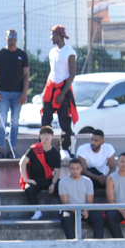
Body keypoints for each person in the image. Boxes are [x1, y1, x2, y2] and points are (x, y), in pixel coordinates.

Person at [0, 29, 30, 158]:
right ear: (5, 38)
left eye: (14, 35)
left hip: (18, 94)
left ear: (17, 38)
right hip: (3, 93)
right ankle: (0, 149)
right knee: (2, 122)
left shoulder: (22, 55)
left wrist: (24, 93)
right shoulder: (0, 54)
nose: (12, 37)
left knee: (15, 122)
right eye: (10, 35)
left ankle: (12, 150)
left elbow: (26, 75)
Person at [42, 25, 77, 155]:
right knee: (45, 118)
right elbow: (53, 72)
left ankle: (66, 148)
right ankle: (44, 145)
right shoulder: (52, 52)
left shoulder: (70, 52)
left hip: (63, 89)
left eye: (52, 34)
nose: (51, 37)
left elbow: (72, 74)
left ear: (58, 35)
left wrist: (63, 93)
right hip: (51, 88)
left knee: (64, 121)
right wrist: (46, 91)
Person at [19, 126, 62, 220]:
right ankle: (37, 211)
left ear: (52, 137)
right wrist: (26, 179)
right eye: (44, 134)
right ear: (40, 136)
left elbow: (57, 171)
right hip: (36, 180)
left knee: (63, 184)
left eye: (49, 134)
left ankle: (63, 209)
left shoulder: (55, 153)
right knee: (29, 188)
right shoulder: (34, 149)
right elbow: (22, 162)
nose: (46, 136)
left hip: (49, 180)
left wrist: (53, 184)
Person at [59, 158, 104, 239]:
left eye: (77, 168)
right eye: (72, 168)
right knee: (66, 217)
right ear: (69, 169)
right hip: (71, 210)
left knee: (98, 217)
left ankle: (98, 244)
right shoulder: (62, 182)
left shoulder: (88, 181)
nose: (75, 171)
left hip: (85, 209)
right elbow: (65, 203)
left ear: (81, 169)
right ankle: (72, 244)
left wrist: (86, 211)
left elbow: (90, 201)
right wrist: (77, 212)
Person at [104, 153, 125, 238]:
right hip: (117, 207)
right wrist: (123, 211)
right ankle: (120, 242)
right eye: (122, 161)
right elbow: (110, 200)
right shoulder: (111, 178)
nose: (124, 164)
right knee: (110, 217)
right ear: (118, 163)